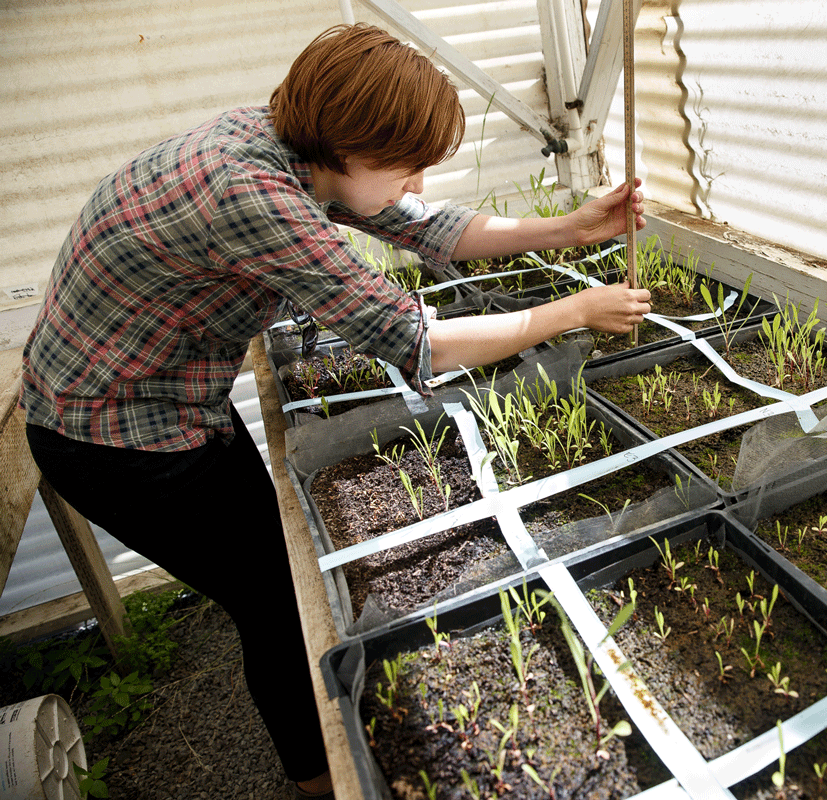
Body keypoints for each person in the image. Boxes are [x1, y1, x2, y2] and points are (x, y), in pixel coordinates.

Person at [21, 22, 650, 799]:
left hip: (170, 401)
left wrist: (567, 226)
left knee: (274, 577)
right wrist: (569, 313)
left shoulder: (298, 147)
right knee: (276, 603)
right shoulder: (252, 194)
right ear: (347, 143)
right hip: (112, 431)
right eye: (407, 163)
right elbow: (414, 339)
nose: (417, 181)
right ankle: (322, 782)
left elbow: (421, 225)